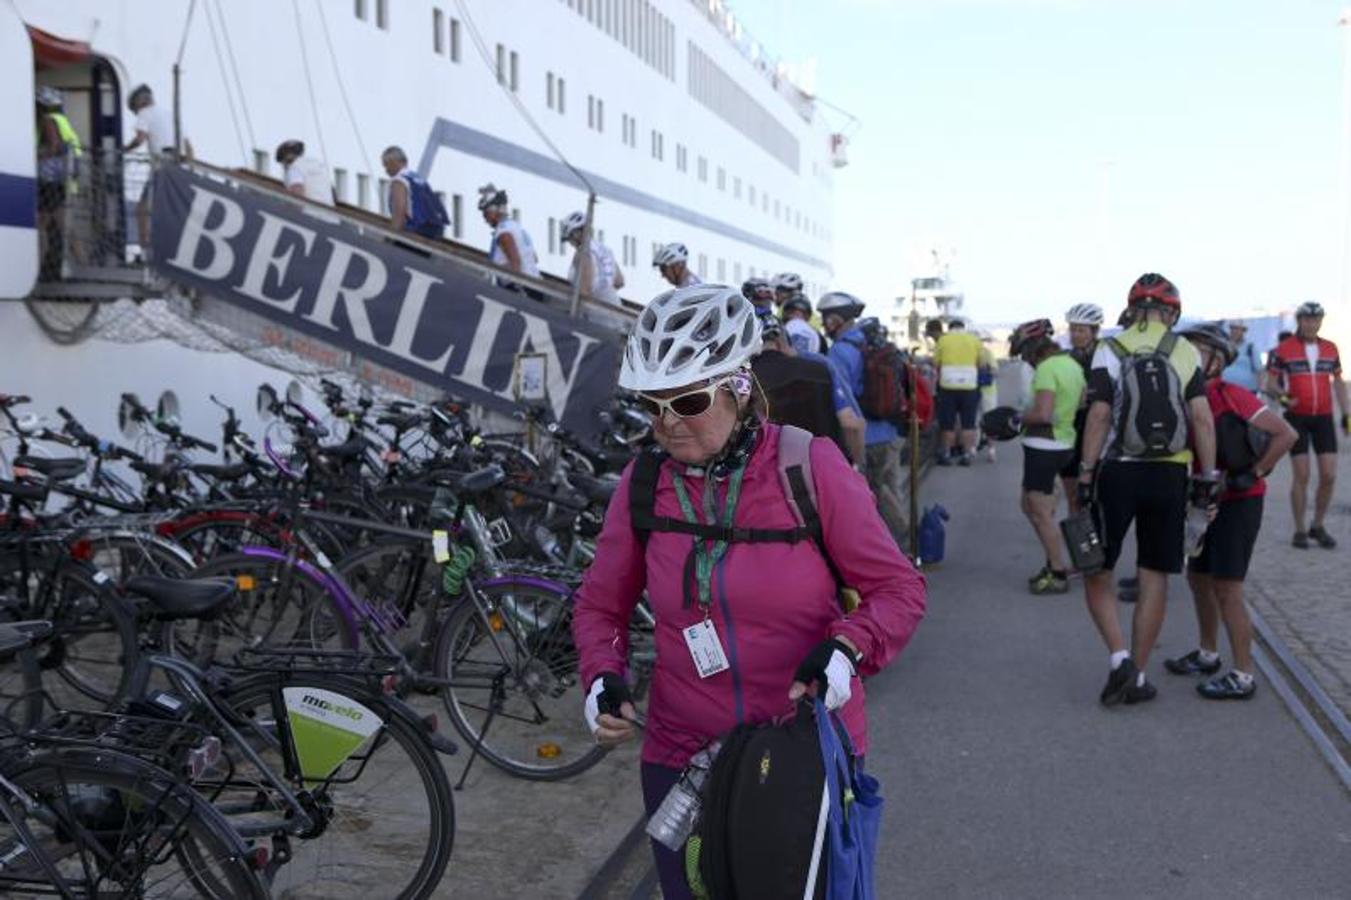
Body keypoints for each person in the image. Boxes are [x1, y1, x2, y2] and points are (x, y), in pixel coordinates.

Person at [572, 285, 926, 900]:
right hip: (682, 755)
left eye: (686, 400)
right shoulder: (644, 481)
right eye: (650, 405)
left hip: (799, 753)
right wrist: (601, 676)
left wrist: (846, 650)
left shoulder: (807, 467)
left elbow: (897, 588)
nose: (666, 423)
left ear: (736, 386)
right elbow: (602, 603)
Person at [1077, 273, 1216, 706]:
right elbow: (1202, 419)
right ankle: (1137, 675)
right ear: (1172, 311)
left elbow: (1099, 416)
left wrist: (1085, 474)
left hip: (1119, 470)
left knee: (1097, 567)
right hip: (1170, 473)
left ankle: (1118, 656)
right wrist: (1206, 479)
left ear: (1131, 308)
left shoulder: (1110, 347)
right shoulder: (1183, 349)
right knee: (1155, 574)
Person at [1165, 323, 1297, 700]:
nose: (1187, 357)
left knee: (1228, 587)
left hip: (1240, 501)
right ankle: (1208, 653)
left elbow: (1285, 434)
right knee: (1198, 578)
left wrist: (1250, 473)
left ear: (1217, 360)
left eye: (1196, 351)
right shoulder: (1184, 399)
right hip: (1202, 500)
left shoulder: (1231, 394)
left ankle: (1243, 675)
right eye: (1183, 351)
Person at [820, 291, 910, 544]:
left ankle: (902, 546)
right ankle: (906, 544)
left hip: (866, 437)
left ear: (836, 319)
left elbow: (841, 402)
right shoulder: (872, 342)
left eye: (826, 317)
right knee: (892, 490)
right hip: (889, 430)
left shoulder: (839, 352)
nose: (824, 323)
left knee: (873, 496)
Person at [1264, 301, 1349, 549]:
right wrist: (1283, 398)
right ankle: (1300, 529)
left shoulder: (1331, 348)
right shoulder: (1283, 349)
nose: (1312, 324)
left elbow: (1339, 382)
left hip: (1323, 417)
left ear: (1321, 322)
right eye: (1307, 320)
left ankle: (1318, 525)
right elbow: (1270, 383)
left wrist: (1346, 414)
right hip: (1296, 417)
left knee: (1330, 475)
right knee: (1302, 475)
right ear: (1299, 321)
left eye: (1316, 320)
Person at [1010, 319, 1086, 595]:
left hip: (1044, 445)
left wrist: (1015, 418)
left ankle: (1057, 571)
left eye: (1024, 354)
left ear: (1032, 349)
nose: (1024, 360)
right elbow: (1080, 403)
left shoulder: (1045, 369)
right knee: (1029, 505)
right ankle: (1055, 561)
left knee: (1040, 512)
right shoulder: (1072, 366)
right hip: (1065, 442)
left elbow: (1042, 413)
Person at [753, 309, 867, 465]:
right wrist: (855, 466)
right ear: (782, 341)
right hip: (826, 471)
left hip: (768, 477)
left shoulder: (742, 379)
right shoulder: (820, 369)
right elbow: (851, 424)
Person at [1060, 303, 1105, 513]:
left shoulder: (1105, 357)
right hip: (1072, 432)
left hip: (1098, 432)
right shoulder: (1067, 358)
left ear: (1094, 331)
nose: (1075, 335)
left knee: (1096, 496)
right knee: (1073, 495)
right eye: (1073, 329)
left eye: (1081, 330)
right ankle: (1077, 540)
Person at [35, 86, 82, 279]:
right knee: (57, 225)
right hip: (64, 180)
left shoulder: (48, 120)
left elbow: (53, 146)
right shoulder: (63, 120)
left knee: (43, 226)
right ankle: (79, 263)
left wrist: (34, 155)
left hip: (51, 181)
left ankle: (37, 266)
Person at [123, 84, 176, 254]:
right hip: (175, 166)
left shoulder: (145, 113)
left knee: (143, 208)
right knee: (167, 207)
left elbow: (140, 139)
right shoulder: (169, 114)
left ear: (138, 103)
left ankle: (146, 249)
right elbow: (187, 145)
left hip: (160, 167)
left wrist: (123, 149)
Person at [933, 318, 984, 465]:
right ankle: (967, 455)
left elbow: (936, 363)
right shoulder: (974, 340)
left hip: (947, 386)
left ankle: (946, 454)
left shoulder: (943, 340)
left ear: (950, 328)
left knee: (947, 423)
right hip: (969, 386)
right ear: (963, 327)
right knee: (968, 423)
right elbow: (980, 363)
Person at [378, 147, 450, 240]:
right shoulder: (418, 179)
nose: (386, 170)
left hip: (417, 230)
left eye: (386, 165)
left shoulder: (399, 181)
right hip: (435, 230)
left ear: (394, 162)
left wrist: (391, 236)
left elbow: (400, 211)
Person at [477, 183, 540, 283]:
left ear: (495, 210)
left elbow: (516, 262)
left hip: (521, 287)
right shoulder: (516, 227)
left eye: (486, 213)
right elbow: (535, 258)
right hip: (534, 282)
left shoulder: (503, 233)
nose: (485, 218)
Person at [560, 211, 624, 306]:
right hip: (615, 306)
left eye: (570, 238)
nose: (570, 243)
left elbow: (585, 290)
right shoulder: (604, 250)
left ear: (576, 233)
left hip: (596, 312)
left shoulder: (583, 253)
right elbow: (619, 281)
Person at [274, 140, 334, 206]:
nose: (283, 167)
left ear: (286, 159)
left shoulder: (294, 168)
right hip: (328, 212)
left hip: (311, 211)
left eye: (282, 163)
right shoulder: (317, 165)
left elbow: (297, 193)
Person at [1221, 320, 1262, 392]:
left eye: (1238, 329)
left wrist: (1261, 389)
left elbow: (1259, 370)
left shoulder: (1251, 348)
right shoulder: (1223, 346)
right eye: (1233, 329)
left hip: (1247, 391)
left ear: (1243, 331)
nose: (1235, 332)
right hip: (1225, 390)